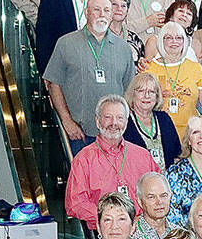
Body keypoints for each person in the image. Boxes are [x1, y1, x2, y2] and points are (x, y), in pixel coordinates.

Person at [45, 0, 137, 154]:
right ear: (86, 12)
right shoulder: (66, 43)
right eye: (96, 10)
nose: (102, 14)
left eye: (107, 10)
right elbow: (54, 84)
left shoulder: (124, 48)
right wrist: (67, 121)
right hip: (79, 134)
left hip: (114, 134)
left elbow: (130, 90)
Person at [65, 96, 161, 229]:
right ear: (98, 122)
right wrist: (111, 217)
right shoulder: (83, 159)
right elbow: (75, 204)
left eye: (120, 118)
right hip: (104, 231)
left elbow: (159, 193)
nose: (114, 123)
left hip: (142, 229)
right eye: (108, 117)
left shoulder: (143, 156)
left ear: (126, 123)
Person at [144, 20, 202, 138]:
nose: (174, 42)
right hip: (159, 132)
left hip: (189, 134)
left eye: (179, 38)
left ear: (184, 42)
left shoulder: (195, 67)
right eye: (169, 38)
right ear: (161, 41)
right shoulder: (149, 68)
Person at [123, 70, 182, 170]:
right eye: (141, 91)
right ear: (132, 94)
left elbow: (177, 153)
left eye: (151, 92)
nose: (146, 96)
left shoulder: (164, 119)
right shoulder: (124, 122)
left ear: (157, 96)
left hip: (166, 180)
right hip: (138, 181)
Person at [128, 171, 174, 239]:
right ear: (140, 201)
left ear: (170, 197)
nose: (159, 202)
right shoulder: (129, 236)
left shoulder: (179, 234)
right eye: (151, 197)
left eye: (163, 195)